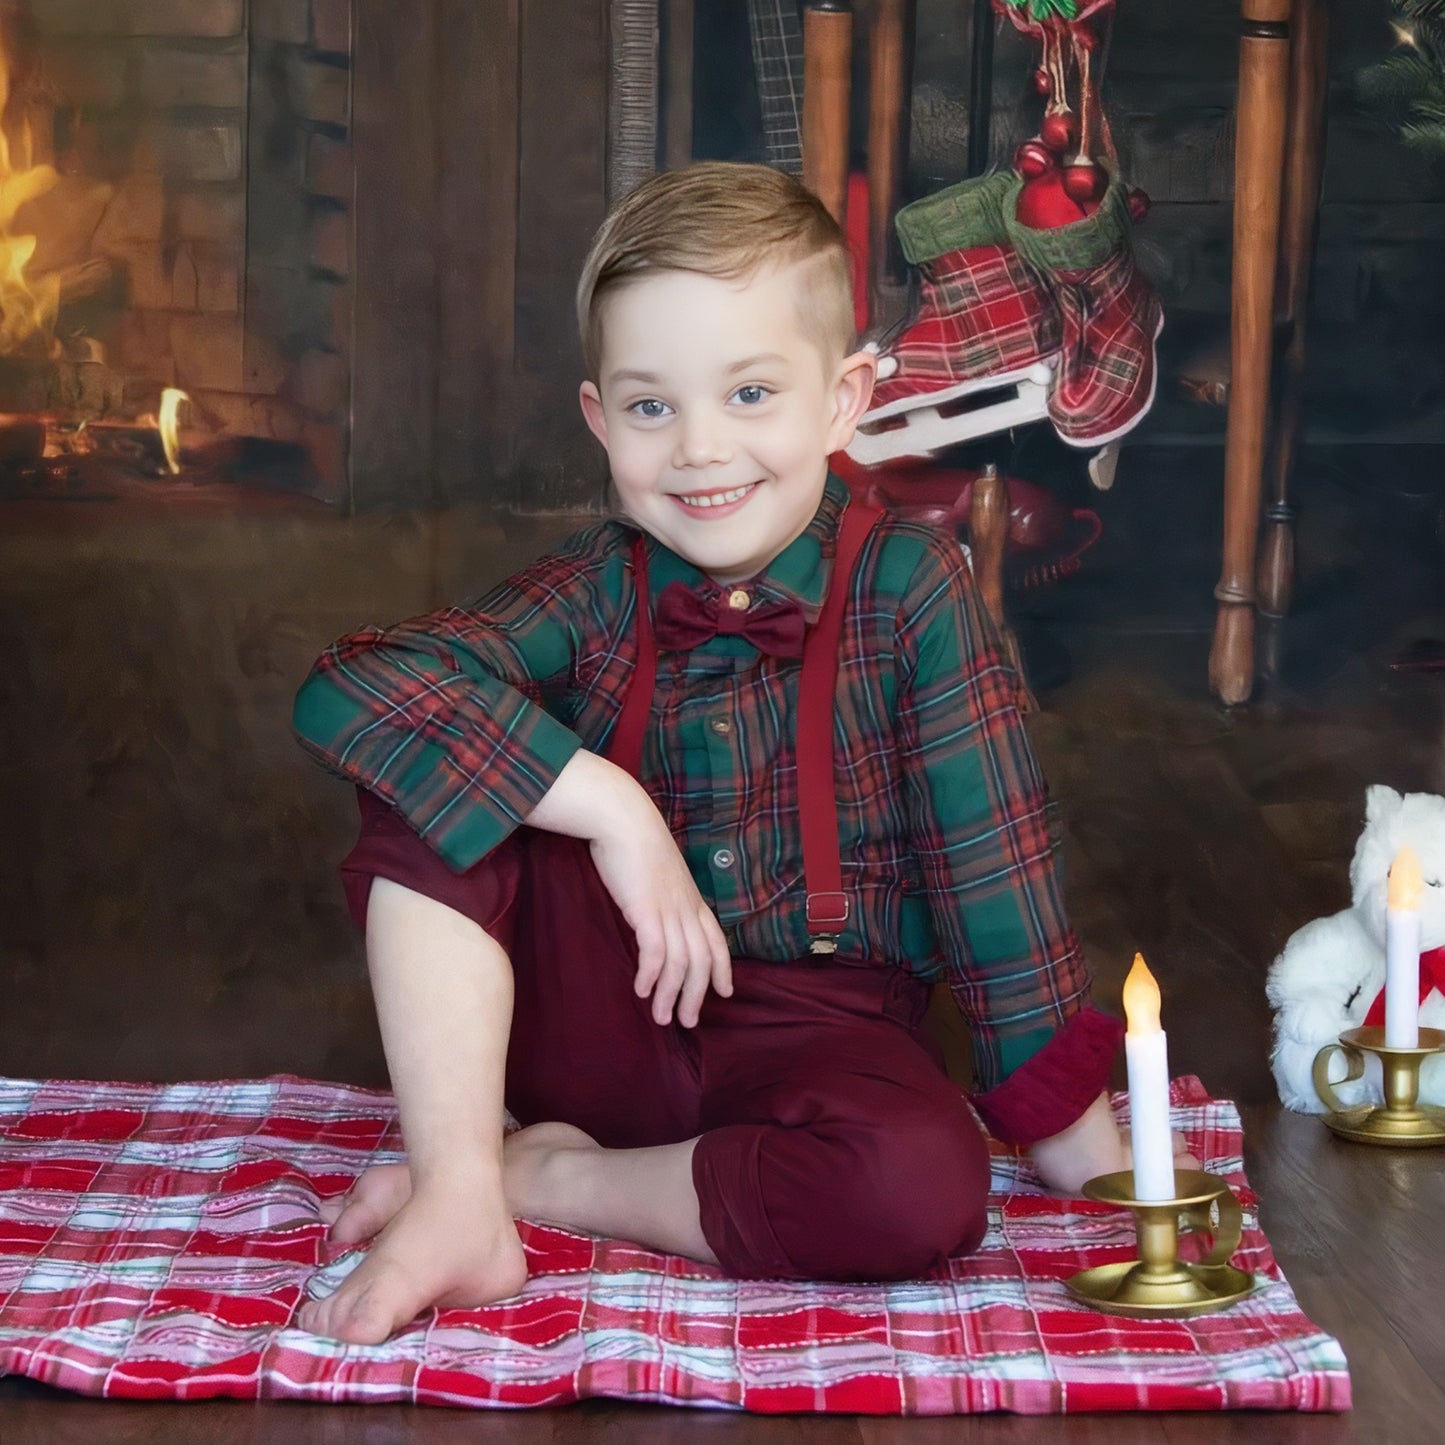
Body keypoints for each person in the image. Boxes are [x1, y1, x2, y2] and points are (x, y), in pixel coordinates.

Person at [291, 161, 1183, 1347]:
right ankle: (458, 1192)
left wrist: (1086, 1155)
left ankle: (538, 1177)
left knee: (924, 1185)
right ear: (600, 419)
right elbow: (352, 682)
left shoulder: (911, 591)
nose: (701, 450)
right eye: (651, 408)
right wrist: (611, 808)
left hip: (817, 1042)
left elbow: (992, 882)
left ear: (842, 400)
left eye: (751, 392)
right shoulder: (597, 584)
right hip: (599, 1024)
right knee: (427, 763)